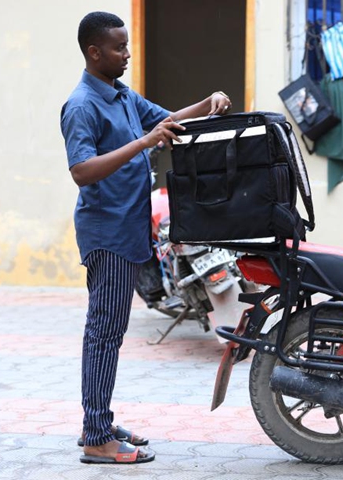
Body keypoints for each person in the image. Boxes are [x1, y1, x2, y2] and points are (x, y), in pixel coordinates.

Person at [60, 11, 231, 464]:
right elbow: (81, 170)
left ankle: (98, 420)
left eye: (127, 45)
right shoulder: (82, 105)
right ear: (94, 52)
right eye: (119, 48)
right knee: (103, 332)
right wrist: (144, 143)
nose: (128, 54)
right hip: (107, 232)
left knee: (108, 333)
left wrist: (207, 101)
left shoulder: (120, 95)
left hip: (128, 227)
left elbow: (170, 120)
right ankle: (96, 436)